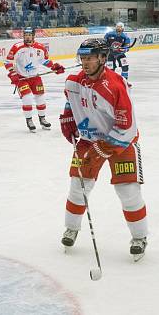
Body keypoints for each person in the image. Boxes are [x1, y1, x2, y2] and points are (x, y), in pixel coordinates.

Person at [59, 38, 147, 260]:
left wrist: (103, 148)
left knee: (127, 190)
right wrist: (68, 114)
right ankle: (71, 228)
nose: (85, 62)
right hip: (88, 141)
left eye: (90, 58)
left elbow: (126, 127)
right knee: (79, 186)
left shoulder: (116, 86)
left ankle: (139, 236)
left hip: (121, 143)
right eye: (83, 58)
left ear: (102, 59)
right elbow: (70, 97)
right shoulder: (73, 82)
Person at [4, 27, 65, 132]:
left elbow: (44, 61)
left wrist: (54, 67)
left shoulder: (40, 47)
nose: (27, 37)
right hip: (22, 78)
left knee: (40, 98)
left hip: (35, 78)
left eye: (29, 35)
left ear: (33, 36)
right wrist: (13, 73)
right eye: (25, 35)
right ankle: (29, 120)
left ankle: (42, 119)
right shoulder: (17, 47)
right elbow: (7, 61)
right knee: (27, 98)